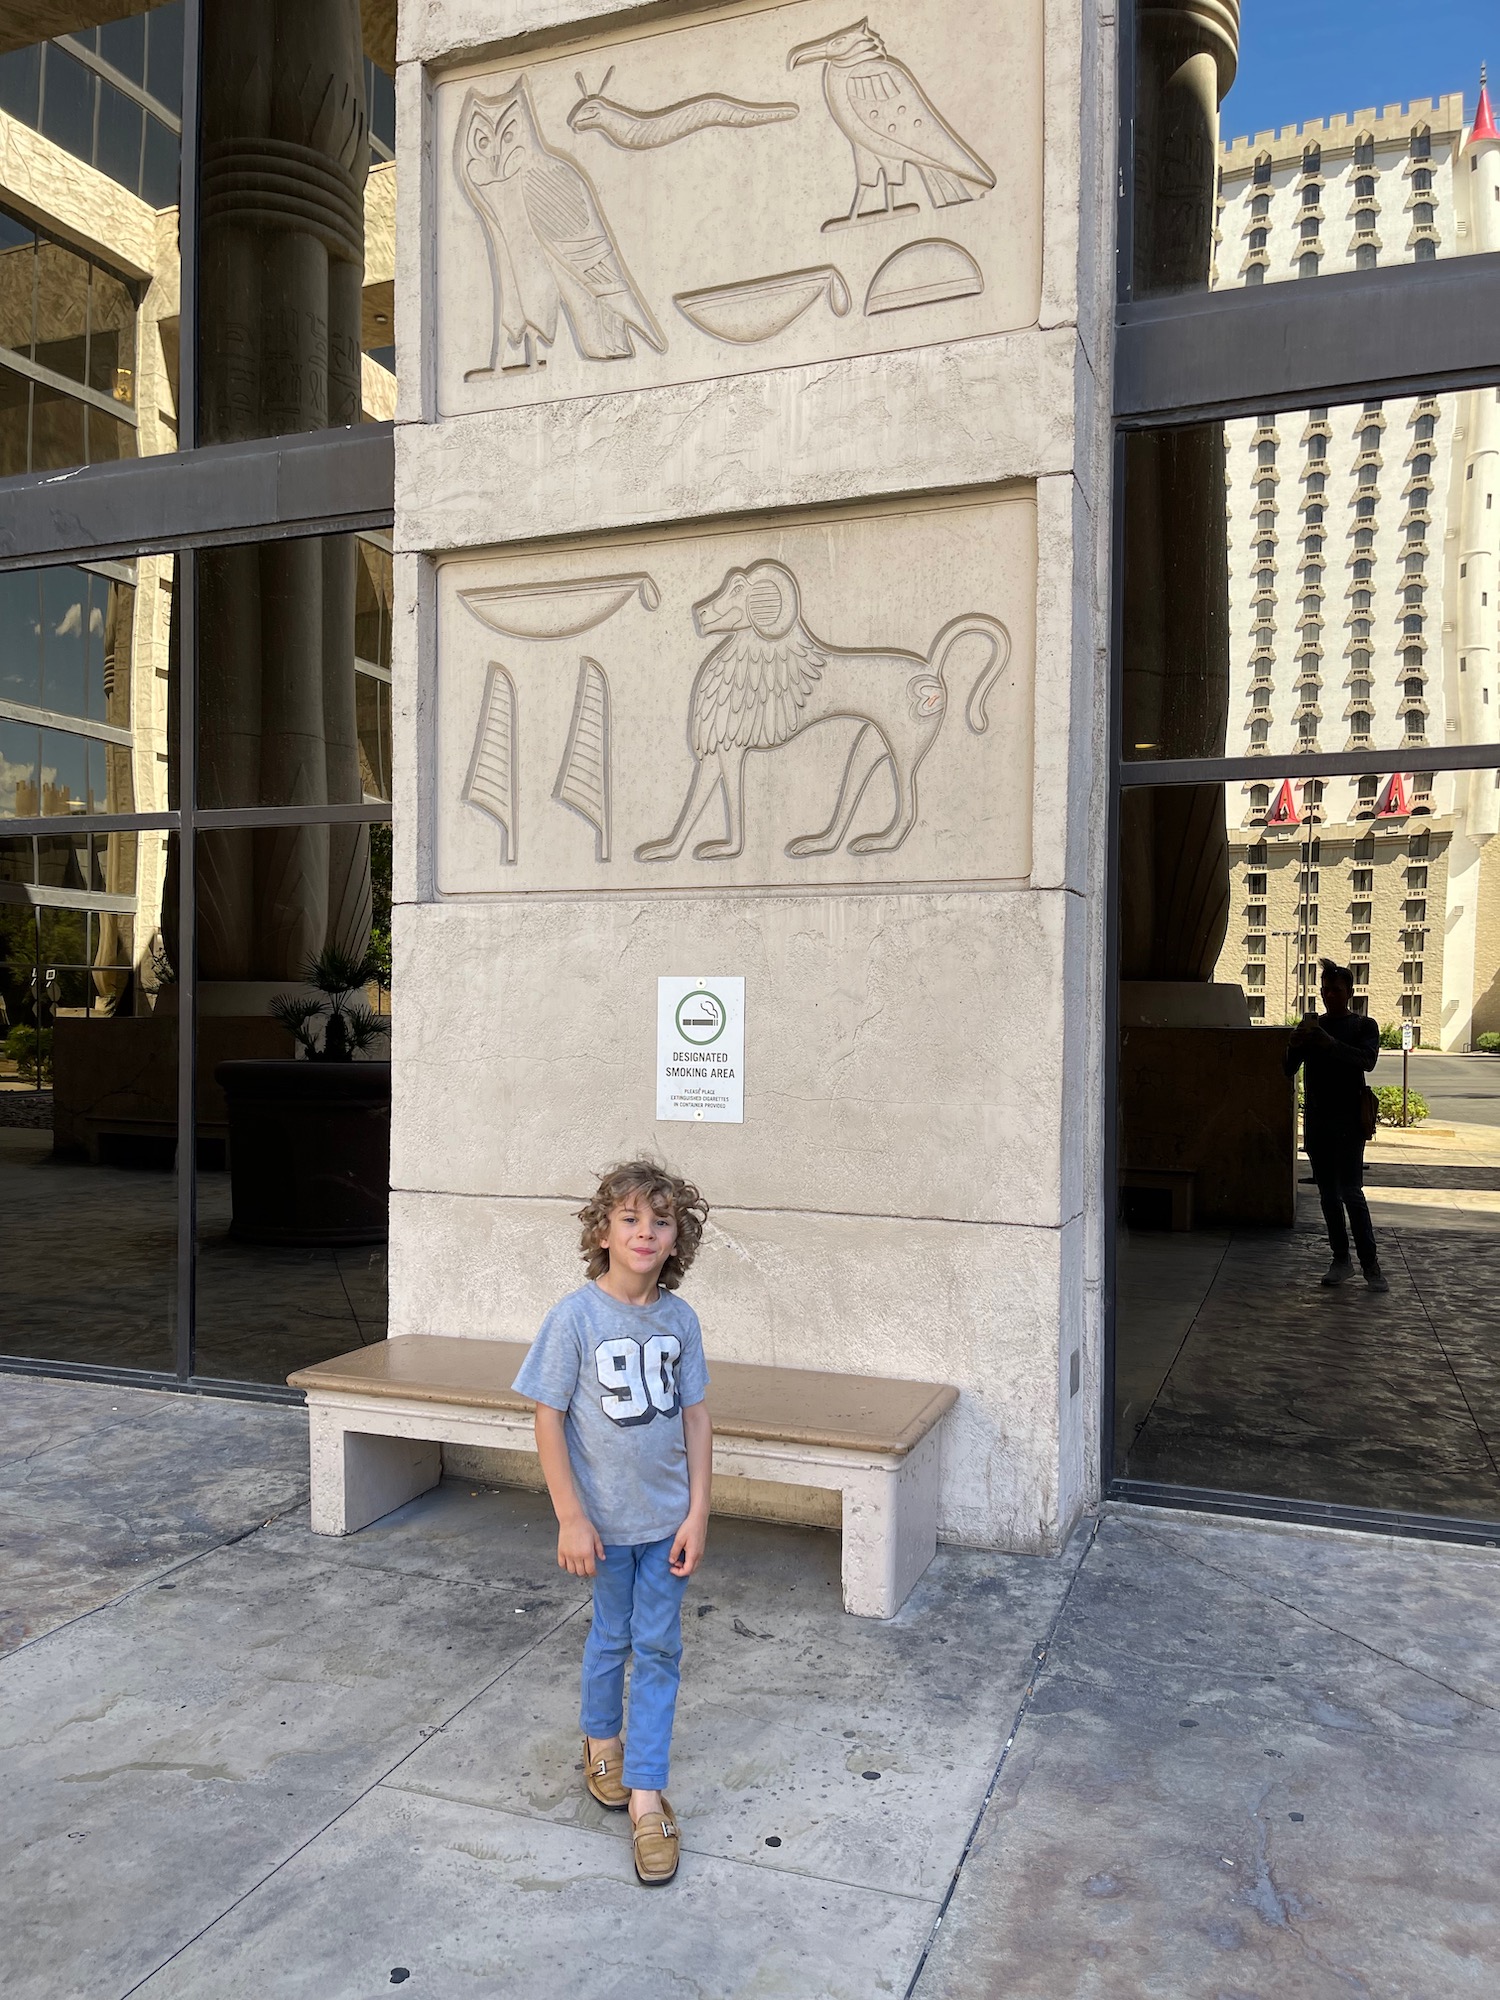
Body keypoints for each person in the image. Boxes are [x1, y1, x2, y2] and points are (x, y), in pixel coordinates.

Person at [512, 1160, 712, 1886]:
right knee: (611, 1638)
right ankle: (602, 1742)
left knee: (659, 1649)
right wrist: (570, 1516)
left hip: (665, 1525)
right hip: (603, 1526)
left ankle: (648, 1797)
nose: (645, 1233)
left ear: (676, 1239)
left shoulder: (680, 1320)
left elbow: (695, 1417)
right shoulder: (575, 1318)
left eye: (660, 1222)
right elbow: (547, 1416)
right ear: (603, 1230)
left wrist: (698, 1511)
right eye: (630, 1219)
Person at [1284, 960, 1388, 1293]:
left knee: (1351, 1193)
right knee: (1328, 1196)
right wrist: (1294, 1044)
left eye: (1336, 990)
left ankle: (1370, 1265)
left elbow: (1367, 1061)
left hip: (1348, 1123)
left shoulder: (1363, 1026)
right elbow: (1289, 1069)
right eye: (1325, 989)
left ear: (1349, 992)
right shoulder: (1313, 1029)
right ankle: (1340, 1260)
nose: (1329, 995)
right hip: (1317, 1121)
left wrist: (1330, 1044)